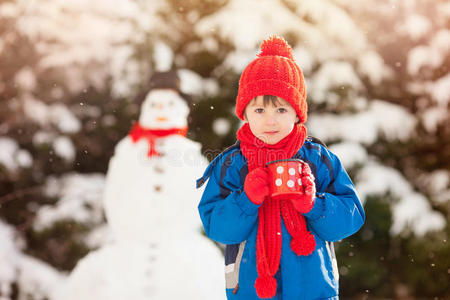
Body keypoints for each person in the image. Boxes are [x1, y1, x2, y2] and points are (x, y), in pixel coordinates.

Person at [196, 36, 365, 300]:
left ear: (297, 113)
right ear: (245, 113)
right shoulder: (231, 164)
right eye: (260, 109)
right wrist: (246, 200)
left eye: (281, 110)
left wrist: (314, 205)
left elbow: (350, 219)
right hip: (251, 292)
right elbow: (217, 228)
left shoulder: (318, 159)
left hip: (313, 290)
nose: (270, 120)